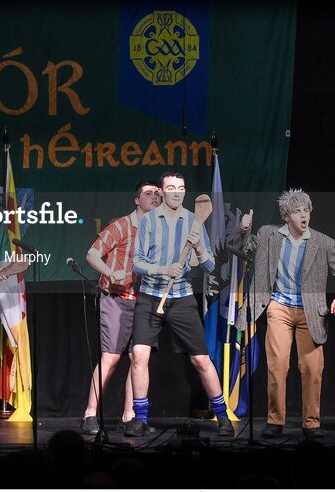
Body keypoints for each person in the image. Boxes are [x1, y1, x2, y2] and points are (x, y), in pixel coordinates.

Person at [235, 189, 335, 439]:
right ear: (286, 216)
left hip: (310, 312)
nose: (303, 215)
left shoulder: (323, 242)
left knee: (313, 369)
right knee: (277, 364)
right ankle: (275, 421)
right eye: (297, 211)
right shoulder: (268, 234)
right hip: (278, 306)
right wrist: (244, 229)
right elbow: (241, 249)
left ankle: (311, 423)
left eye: (306, 210)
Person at [127, 172, 231, 438]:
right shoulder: (149, 220)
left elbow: (209, 266)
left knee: (201, 360)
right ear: (161, 191)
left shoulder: (193, 222)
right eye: (171, 188)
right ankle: (140, 418)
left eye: (181, 188)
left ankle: (222, 415)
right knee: (139, 355)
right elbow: (137, 263)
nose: (176, 192)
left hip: (182, 298)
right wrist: (164, 269)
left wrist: (198, 248)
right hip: (151, 297)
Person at [79, 181, 161, 434]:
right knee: (112, 357)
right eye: (149, 194)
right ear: (137, 201)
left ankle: (131, 416)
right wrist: (109, 271)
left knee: (138, 358)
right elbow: (92, 254)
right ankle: (90, 414)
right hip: (117, 299)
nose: (155, 197)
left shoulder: (159, 232)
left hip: (145, 302)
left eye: (158, 194)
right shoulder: (121, 225)